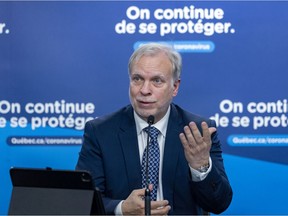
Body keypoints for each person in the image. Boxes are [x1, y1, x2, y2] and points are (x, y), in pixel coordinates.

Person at [76, 43, 233, 215]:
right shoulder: (100, 132)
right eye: (137, 79)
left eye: (157, 81)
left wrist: (201, 167)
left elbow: (219, 204)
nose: (144, 90)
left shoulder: (198, 133)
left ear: (175, 87)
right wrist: (121, 209)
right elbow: (83, 201)